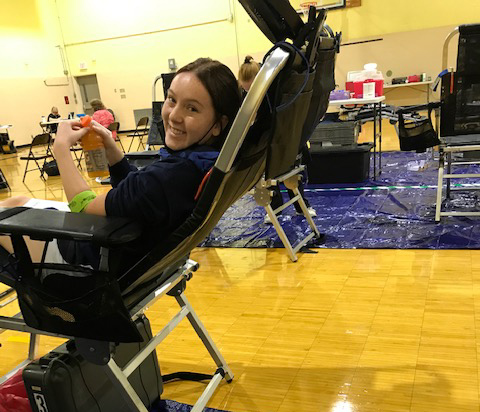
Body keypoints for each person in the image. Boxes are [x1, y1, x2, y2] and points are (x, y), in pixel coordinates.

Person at [0, 58, 241, 270]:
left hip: (87, 262)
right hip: (128, 250)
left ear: (218, 124)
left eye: (192, 108)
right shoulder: (204, 165)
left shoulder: (165, 179)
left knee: (7, 212)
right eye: (172, 99)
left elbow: (82, 207)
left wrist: (61, 150)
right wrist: (113, 150)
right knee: (16, 202)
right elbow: (138, 197)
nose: (173, 115)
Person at [238, 56, 316, 223]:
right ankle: (275, 209)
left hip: (283, 134)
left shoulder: (274, 90)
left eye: (251, 89)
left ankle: (302, 207)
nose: (249, 93)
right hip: (268, 137)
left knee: (291, 171)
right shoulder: (250, 94)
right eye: (246, 90)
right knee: (269, 174)